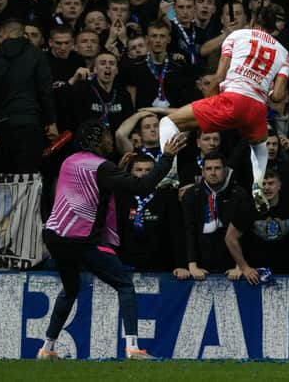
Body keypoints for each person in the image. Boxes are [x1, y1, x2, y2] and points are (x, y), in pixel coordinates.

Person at [38, 120, 186, 360]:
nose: (111, 141)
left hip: (54, 236)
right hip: (80, 239)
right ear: (97, 141)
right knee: (124, 284)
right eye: (107, 136)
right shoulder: (102, 167)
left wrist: (117, 169)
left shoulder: (70, 161)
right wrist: (167, 158)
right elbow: (142, 186)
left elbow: (94, 188)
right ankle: (133, 348)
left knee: (70, 289)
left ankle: (47, 347)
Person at [158, 6, 289, 212]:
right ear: (274, 29)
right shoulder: (284, 54)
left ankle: (170, 171)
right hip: (256, 108)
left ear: (254, 21)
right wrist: (268, 90)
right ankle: (257, 184)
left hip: (232, 99)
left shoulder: (237, 35)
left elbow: (219, 76)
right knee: (259, 146)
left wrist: (209, 102)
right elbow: (279, 96)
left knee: (169, 122)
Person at [0, 19, 58, 173]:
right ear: (22, 35)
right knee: (29, 178)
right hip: (31, 123)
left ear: (6, 34)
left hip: (3, 125)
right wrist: (51, 121)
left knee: (7, 178)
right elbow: (45, 92)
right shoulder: (37, 55)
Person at [181, 151, 252, 280]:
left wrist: (239, 265)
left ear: (225, 170)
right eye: (208, 169)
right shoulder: (191, 195)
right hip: (201, 264)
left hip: (232, 265)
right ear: (202, 172)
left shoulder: (240, 194)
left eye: (217, 168)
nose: (213, 173)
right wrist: (192, 265)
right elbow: (189, 230)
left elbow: (245, 233)